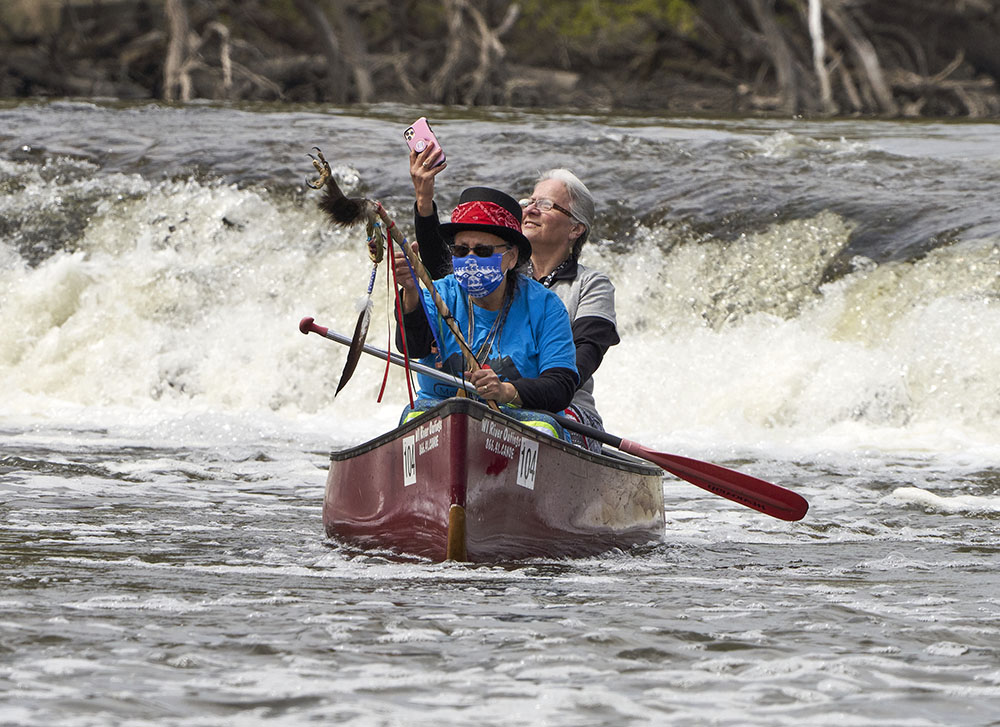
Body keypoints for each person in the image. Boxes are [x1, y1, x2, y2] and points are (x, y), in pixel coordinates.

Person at [408, 145, 619, 452]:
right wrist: (424, 202)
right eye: (529, 201)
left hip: (559, 408)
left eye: (546, 205)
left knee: (547, 424)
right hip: (481, 403)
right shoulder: (481, 275)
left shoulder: (589, 285)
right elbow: (441, 267)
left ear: (576, 227)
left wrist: (523, 387)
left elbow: (578, 363)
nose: (530, 209)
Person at [394, 186, 579, 425]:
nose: (470, 259)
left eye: (483, 251)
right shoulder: (436, 293)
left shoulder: (546, 307)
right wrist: (410, 289)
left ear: (511, 257)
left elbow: (561, 386)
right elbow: (412, 347)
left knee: (544, 428)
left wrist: (506, 392)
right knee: (412, 418)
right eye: (461, 250)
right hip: (439, 416)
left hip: (519, 419)